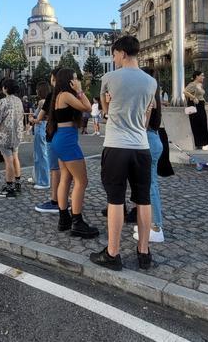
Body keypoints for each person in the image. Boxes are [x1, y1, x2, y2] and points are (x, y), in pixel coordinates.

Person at [90, 36, 155, 271]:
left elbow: (106, 112)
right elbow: (146, 120)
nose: (114, 58)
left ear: (122, 53)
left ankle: (113, 253)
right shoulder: (151, 82)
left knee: (115, 200)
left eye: (114, 54)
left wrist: (108, 107)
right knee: (144, 199)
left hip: (116, 145)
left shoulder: (109, 78)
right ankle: (144, 253)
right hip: (141, 146)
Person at [49, 68, 99, 238]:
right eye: (75, 78)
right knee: (81, 181)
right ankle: (77, 222)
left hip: (62, 138)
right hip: (67, 141)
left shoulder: (59, 95)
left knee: (66, 178)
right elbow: (87, 108)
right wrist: (79, 90)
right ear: (69, 81)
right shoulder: (67, 95)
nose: (77, 80)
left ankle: (64, 219)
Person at [131, 67, 166, 243]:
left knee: (150, 186)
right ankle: (149, 222)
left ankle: (155, 226)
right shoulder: (154, 94)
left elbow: (142, 124)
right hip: (153, 138)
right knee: (147, 184)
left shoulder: (149, 96)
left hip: (148, 140)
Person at [34, 69, 63, 213]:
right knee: (66, 170)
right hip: (67, 135)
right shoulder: (70, 95)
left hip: (53, 134)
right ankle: (64, 199)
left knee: (55, 169)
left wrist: (33, 120)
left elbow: (39, 118)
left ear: (54, 79)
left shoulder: (52, 95)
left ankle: (55, 201)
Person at [0, 79, 25, 198]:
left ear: (5, 88)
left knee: (8, 161)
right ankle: (17, 182)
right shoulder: (19, 101)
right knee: (15, 157)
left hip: (5, 135)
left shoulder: (3, 102)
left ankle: (9, 187)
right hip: (17, 134)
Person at [184, 71, 208, 151]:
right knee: (198, 124)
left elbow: (200, 94)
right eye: (201, 75)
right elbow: (185, 91)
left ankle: (205, 143)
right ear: (197, 76)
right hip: (195, 106)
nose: (203, 77)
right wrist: (194, 98)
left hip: (201, 105)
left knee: (203, 123)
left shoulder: (200, 85)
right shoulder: (192, 84)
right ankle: (202, 144)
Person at [30, 82, 52, 192]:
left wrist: (31, 119)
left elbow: (38, 119)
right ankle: (39, 177)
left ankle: (43, 181)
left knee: (41, 155)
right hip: (44, 127)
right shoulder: (49, 100)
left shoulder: (42, 102)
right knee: (42, 154)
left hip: (40, 127)